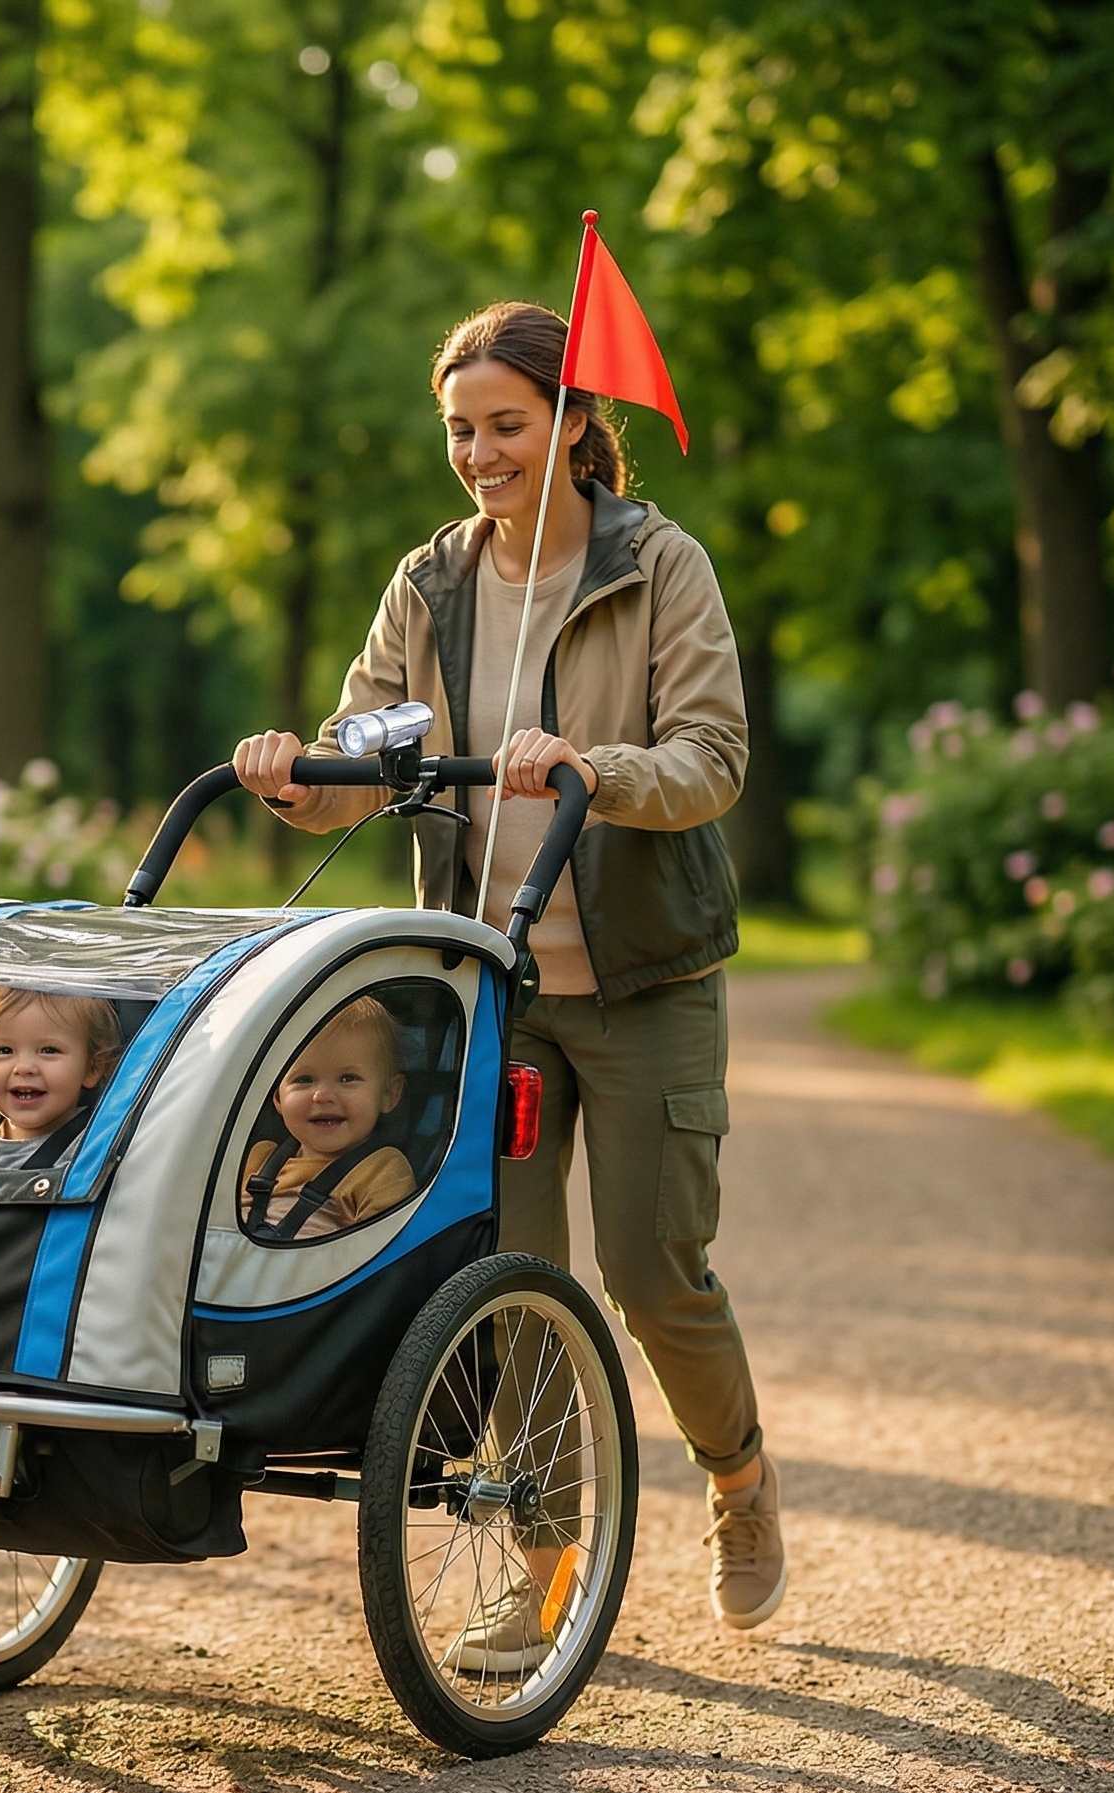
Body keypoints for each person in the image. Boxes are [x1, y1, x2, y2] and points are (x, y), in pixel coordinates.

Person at [231, 299, 784, 1637]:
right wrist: (296, 774)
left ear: (577, 423)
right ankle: (540, 1573)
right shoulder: (431, 584)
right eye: (459, 431)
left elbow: (713, 756)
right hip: (495, 989)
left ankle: (740, 1477)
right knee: (508, 1284)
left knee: (655, 1277)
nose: (480, 454)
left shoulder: (663, 569)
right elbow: (372, 747)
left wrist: (594, 768)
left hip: (645, 981)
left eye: (507, 426)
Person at [241, 995, 418, 1241]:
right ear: (279, 1099)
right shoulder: (257, 1159)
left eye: (348, 1078)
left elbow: (379, 1259)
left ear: (389, 1094)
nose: (322, 1096)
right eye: (304, 1080)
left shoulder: (382, 1170)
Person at [0, 987, 121, 1171]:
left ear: (93, 1068)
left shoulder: (96, 1146)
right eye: (4, 1050)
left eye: (49, 1050)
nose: (24, 1068)